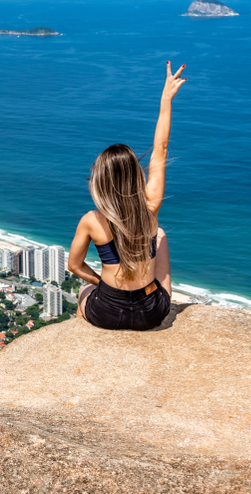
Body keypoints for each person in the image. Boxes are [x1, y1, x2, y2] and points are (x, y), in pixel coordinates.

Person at [68, 61, 187, 330]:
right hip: (151, 311)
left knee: (82, 295)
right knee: (161, 235)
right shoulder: (150, 206)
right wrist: (166, 99)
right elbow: (161, 149)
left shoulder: (91, 220)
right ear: (135, 175)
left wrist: (103, 285)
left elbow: (74, 266)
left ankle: (78, 343)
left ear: (101, 181)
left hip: (108, 310)